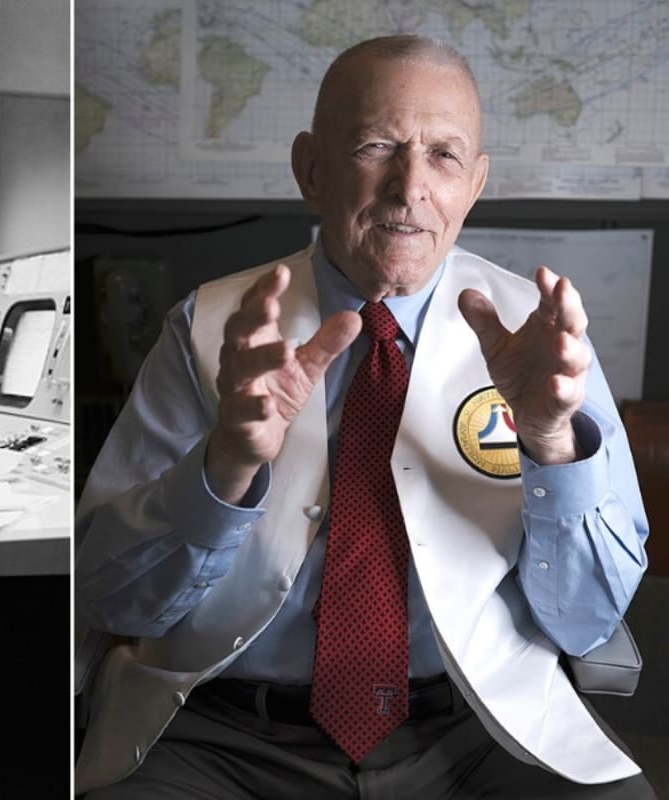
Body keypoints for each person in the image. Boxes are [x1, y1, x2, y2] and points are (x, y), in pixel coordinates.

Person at [75, 35, 654, 799]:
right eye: (376, 146)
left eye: (443, 156)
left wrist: (551, 443)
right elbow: (111, 596)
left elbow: (587, 623)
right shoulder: (212, 327)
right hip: (223, 739)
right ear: (312, 170)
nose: (409, 186)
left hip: (475, 732)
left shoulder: (544, 340)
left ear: (474, 184)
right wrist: (224, 469)